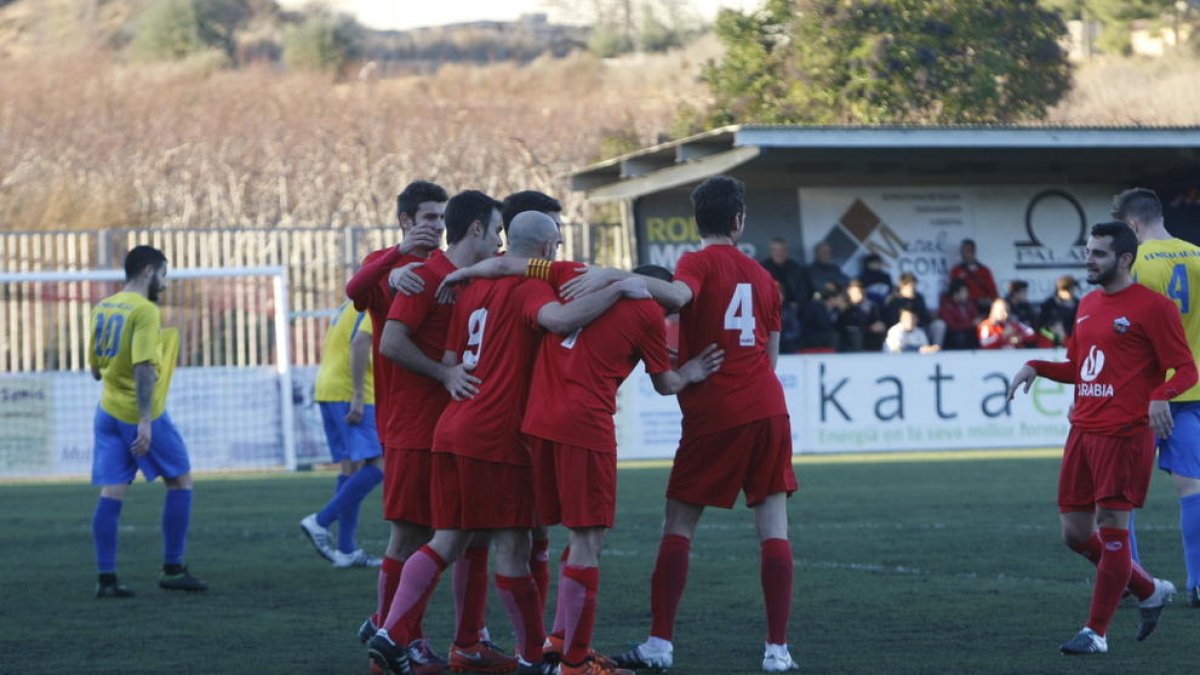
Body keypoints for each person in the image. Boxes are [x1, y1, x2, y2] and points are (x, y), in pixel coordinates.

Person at [367, 211, 648, 675]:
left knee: (447, 539)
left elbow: (454, 359)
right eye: (555, 244)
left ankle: (390, 631)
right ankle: (534, 657)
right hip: (496, 438)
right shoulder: (530, 287)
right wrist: (618, 288)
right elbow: (558, 321)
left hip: (452, 428)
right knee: (513, 548)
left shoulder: (471, 290)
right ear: (545, 249)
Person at [562, 176, 799, 673]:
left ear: (701, 222)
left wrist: (621, 277)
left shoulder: (696, 262)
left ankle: (659, 644)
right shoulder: (763, 277)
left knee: (679, 525)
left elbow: (679, 297)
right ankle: (777, 651)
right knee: (773, 526)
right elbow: (769, 359)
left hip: (717, 413)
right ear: (738, 221)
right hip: (769, 409)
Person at [522, 264, 723, 675]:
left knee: (565, 535)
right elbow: (665, 383)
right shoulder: (648, 312)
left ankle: (558, 641)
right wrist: (691, 371)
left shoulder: (575, 281)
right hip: (584, 425)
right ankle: (575, 664)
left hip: (538, 418)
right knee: (588, 541)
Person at [1007, 221, 1193, 655]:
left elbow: (1186, 369)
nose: (1088, 259)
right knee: (1075, 533)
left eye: (1098, 253)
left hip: (1125, 434)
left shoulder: (1153, 307)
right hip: (1084, 431)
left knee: (1113, 529)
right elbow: (1078, 368)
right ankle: (1148, 588)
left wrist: (1159, 395)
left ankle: (1096, 632)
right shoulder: (1088, 304)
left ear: (1125, 259)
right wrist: (1036, 365)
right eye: (1089, 251)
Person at [344, 180, 450, 652]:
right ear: (406, 221)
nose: (437, 227)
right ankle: (398, 634)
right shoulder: (385, 264)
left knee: (433, 532)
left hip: (443, 417)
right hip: (407, 418)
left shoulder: (444, 267)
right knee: (408, 532)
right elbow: (356, 288)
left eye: (442, 218)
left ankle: (390, 626)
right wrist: (393, 262)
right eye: (429, 218)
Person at [88, 245, 207, 598]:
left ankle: (106, 579)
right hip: (138, 412)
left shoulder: (103, 306)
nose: (165, 284)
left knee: (112, 491)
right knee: (180, 481)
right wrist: (144, 421)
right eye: (164, 275)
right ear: (148, 271)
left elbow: (95, 369)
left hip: (106, 410)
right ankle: (173, 568)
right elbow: (143, 367)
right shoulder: (144, 310)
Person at [1116, 187, 1200, 608]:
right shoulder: (1198, 256)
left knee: (1123, 492)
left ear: (1131, 226)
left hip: (1146, 393)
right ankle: (1199, 582)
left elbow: (1135, 338)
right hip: (1193, 388)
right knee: (1193, 485)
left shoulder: (1136, 265)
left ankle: (1132, 579)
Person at [299, 299, 384, 569]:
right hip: (351, 391)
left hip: (328, 387)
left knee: (351, 466)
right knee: (380, 464)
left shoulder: (349, 304)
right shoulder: (378, 301)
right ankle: (320, 521)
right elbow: (360, 343)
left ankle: (346, 550)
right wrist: (358, 395)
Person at [883, 272, 945, 347]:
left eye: (914, 286)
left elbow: (924, 316)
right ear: (902, 286)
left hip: (919, 328)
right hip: (902, 329)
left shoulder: (919, 298)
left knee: (939, 325)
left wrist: (917, 323)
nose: (913, 289)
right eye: (910, 286)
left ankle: (936, 348)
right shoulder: (893, 299)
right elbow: (891, 319)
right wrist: (909, 322)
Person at [948, 238, 999, 314]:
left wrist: (992, 301)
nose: (963, 253)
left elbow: (993, 290)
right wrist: (974, 300)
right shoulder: (956, 271)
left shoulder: (984, 270)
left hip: (984, 307)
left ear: (973, 251)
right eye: (962, 251)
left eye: (967, 250)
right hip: (965, 307)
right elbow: (953, 293)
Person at [760, 238, 811, 310]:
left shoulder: (796, 268)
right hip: (772, 307)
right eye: (775, 250)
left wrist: (798, 302)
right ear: (770, 252)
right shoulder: (762, 269)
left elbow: (805, 289)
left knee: (816, 308)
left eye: (782, 250)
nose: (778, 253)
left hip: (797, 305)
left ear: (787, 251)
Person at [841, 278, 887, 352]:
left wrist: (878, 324)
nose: (860, 295)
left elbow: (876, 320)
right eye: (857, 292)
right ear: (849, 291)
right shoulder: (844, 307)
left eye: (862, 292)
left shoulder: (871, 306)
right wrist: (868, 327)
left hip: (868, 334)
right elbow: (846, 324)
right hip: (850, 336)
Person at [798, 286, 843, 353]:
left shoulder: (836, 311)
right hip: (812, 339)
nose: (842, 300)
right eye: (840, 298)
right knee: (834, 337)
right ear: (832, 298)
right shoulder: (815, 308)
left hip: (826, 339)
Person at [1038, 275, 1081, 347]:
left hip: (1072, 341)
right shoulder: (1048, 305)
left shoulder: (1078, 304)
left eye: (1073, 290)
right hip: (1051, 343)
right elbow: (1040, 327)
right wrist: (1052, 333)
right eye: (1070, 290)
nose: (1072, 293)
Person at [938, 279, 981, 350]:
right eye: (964, 292)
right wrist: (970, 324)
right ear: (956, 294)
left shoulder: (969, 302)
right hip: (954, 334)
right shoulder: (947, 304)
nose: (967, 294)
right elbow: (951, 325)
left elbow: (975, 316)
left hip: (970, 331)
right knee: (960, 336)